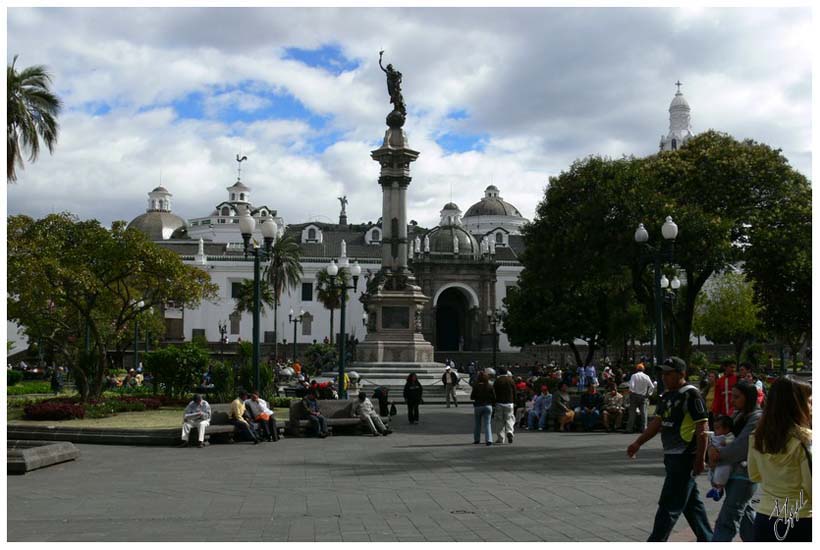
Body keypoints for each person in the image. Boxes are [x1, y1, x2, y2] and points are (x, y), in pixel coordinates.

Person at [626, 356, 712, 542]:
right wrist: (638, 443)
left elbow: (702, 428)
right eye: (663, 373)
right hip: (672, 457)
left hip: (685, 457)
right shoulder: (667, 396)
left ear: (682, 374)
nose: (664, 377)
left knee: (669, 505)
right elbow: (657, 423)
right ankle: (708, 539)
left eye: (669, 373)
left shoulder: (691, 394)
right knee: (691, 504)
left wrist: (700, 458)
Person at [748, 376, 812, 542]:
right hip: (801, 520)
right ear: (798, 405)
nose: (812, 407)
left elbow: (754, 475)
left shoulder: (757, 436)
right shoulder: (806, 440)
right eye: (810, 402)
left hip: (764, 517)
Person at [705, 415, 734, 502]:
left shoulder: (729, 436)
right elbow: (710, 435)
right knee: (711, 475)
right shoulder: (715, 435)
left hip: (724, 462)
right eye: (714, 428)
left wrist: (725, 442)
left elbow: (734, 441)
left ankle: (719, 490)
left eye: (718, 428)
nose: (715, 431)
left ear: (726, 429)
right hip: (714, 461)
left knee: (720, 475)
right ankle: (714, 489)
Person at [627, 363, 656, 433]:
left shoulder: (634, 376)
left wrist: (632, 392)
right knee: (644, 413)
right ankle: (644, 428)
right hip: (643, 396)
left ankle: (629, 429)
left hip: (634, 396)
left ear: (637, 369)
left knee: (632, 413)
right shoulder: (646, 376)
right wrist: (649, 394)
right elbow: (652, 386)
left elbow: (631, 386)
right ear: (643, 369)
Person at [470, 371, 496, 446]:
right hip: (488, 406)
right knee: (487, 424)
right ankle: (489, 440)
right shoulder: (490, 386)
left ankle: (477, 439)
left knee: (477, 424)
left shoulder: (476, 386)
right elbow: (494, 397)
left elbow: (472, 397)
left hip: (478, 406)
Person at [493, 369, 516, 444]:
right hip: (509, 403)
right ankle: (510, 431)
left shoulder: (497, 381)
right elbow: (514, 392)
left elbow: (494, 392)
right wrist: (514, 401)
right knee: (509, 419)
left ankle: (501, 438)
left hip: (499, 403)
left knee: (499, 421)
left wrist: (494, 402)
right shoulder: (511, 380)